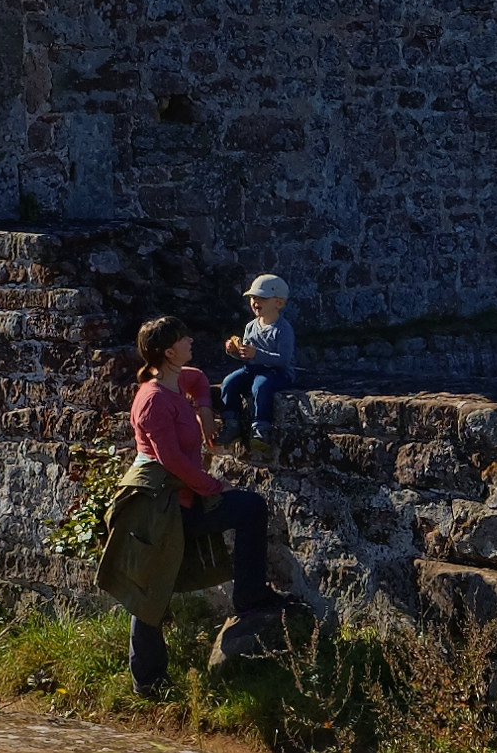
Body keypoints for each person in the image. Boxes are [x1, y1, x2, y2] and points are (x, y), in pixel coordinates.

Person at [96, 316, 288, 696]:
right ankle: (148, 683)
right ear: (168, 352)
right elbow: (173, 463)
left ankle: (251, 598)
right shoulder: (152, 400)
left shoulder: (175, 380)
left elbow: (200, 380)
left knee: (250, 508)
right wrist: (214, 486)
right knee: (152, 587)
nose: (190, 341)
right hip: (157, 504)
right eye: (184, 338)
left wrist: (203, 412)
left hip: (180, 496)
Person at [218, 274, 295, 449]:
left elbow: (283, 360)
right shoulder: (251, 326)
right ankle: (231, 422)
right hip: (254, 368)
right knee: (229, 382)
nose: (255, 302)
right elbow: (247, 356)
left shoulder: (283, 329)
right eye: (253, 298)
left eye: (262, 298)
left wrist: (256, 354)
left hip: (278, 372)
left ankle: (261, 427)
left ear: (279, 303)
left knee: (260, 386)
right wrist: (235, 352)